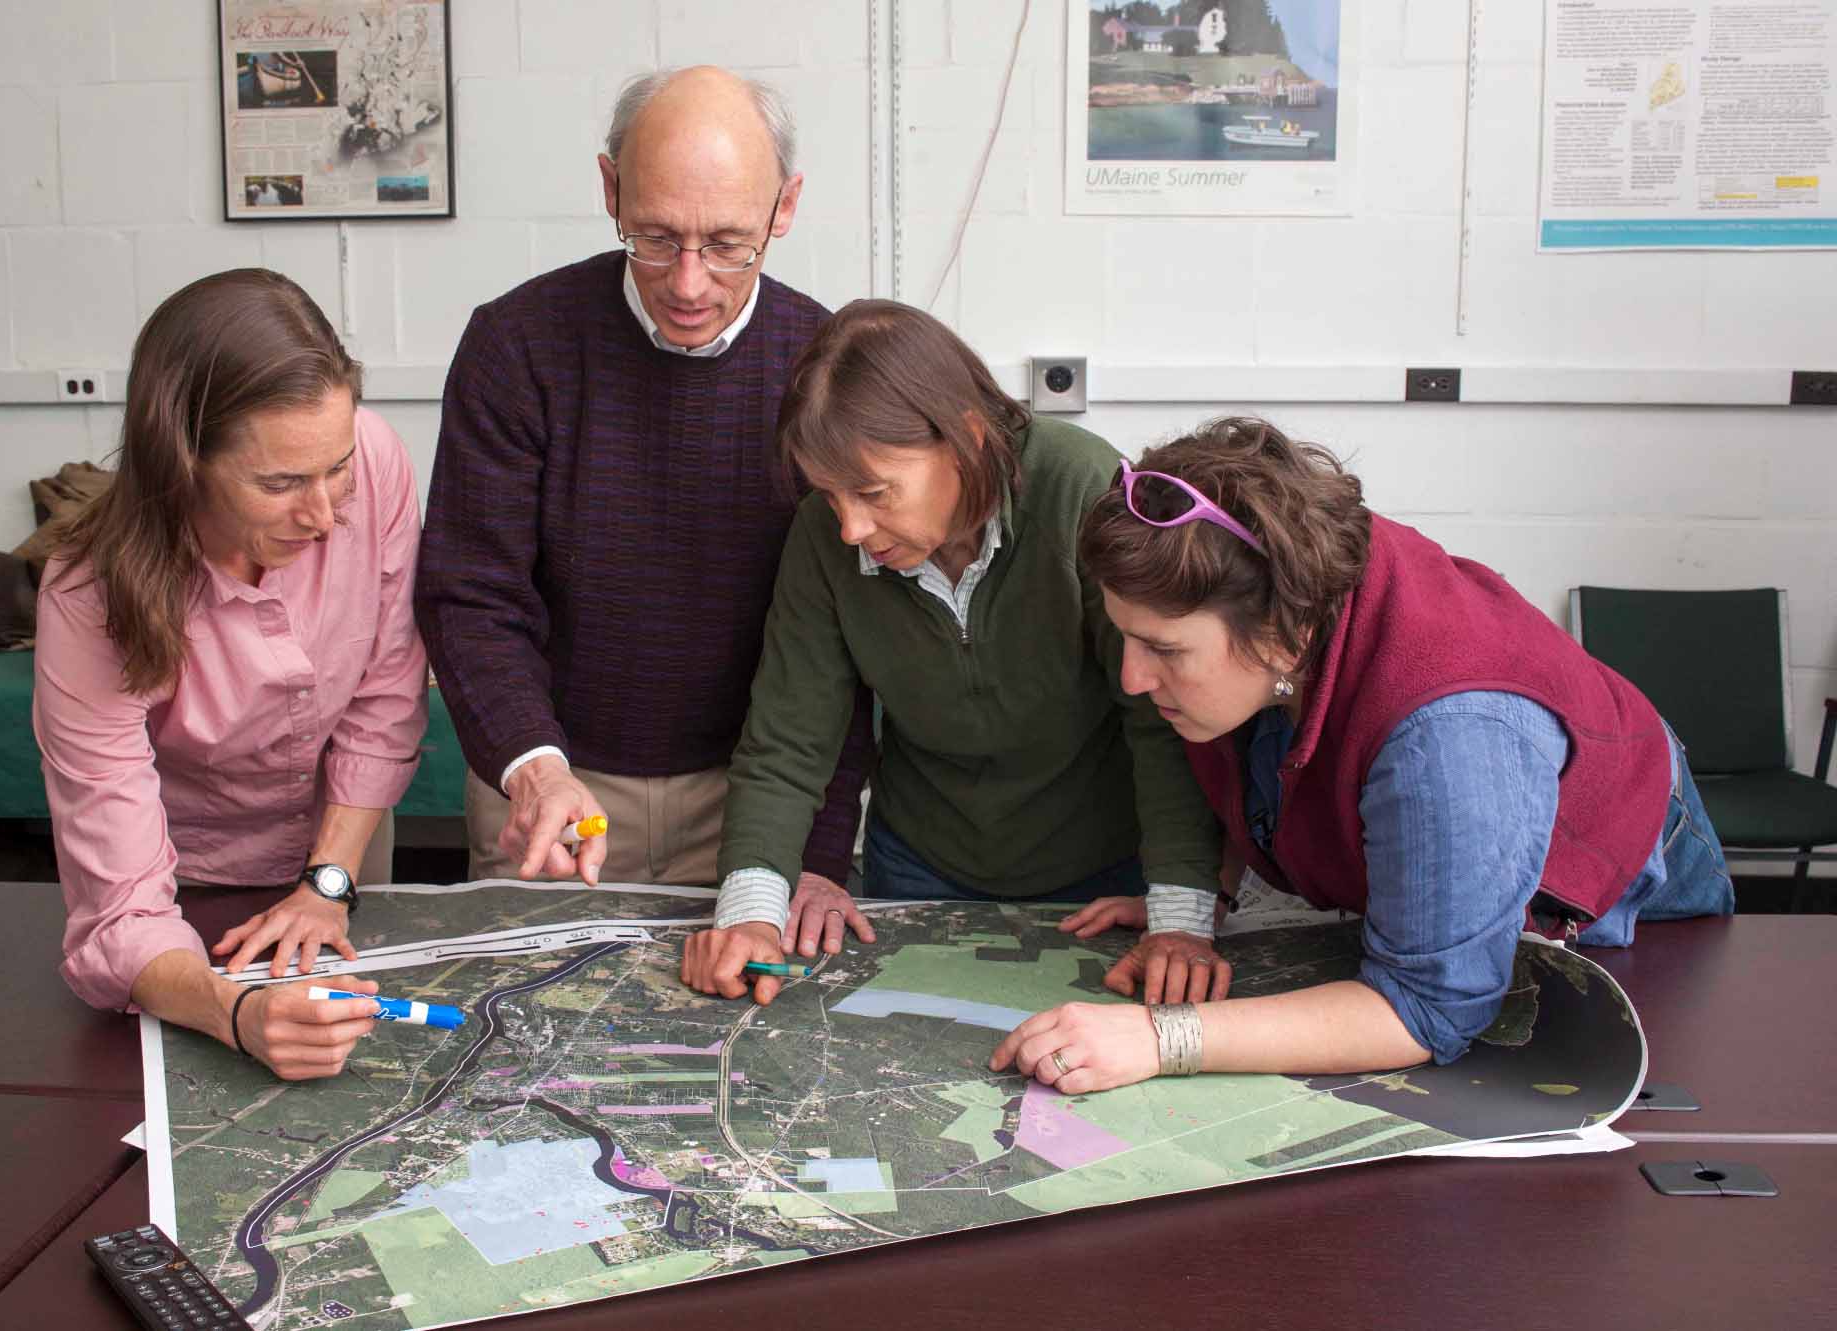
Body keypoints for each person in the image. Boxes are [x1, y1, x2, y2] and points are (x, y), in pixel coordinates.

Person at [990, 416, 1734, 1092]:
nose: (1131, 676)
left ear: (1283, 637)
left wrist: (1158, 1037)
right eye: (1126, 634)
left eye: (1164, 648)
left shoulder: (1451, 740)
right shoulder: (1277, 586)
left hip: (1632, 906)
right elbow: (1274, 766)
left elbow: (1428, 1009)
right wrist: (1211, 897)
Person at [680, 300, 1222, 1005]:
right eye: (830, 494)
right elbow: (786, 741)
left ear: (964, 439)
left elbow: (1160, 716)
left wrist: (1182, 916)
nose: (850, 527)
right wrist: (749, 914)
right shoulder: (823, 539)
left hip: (1105, 880)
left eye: (873, 492)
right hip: (917, 867)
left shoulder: (1083, 490)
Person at [416, 66, 869, 901]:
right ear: (611, 188)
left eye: (729, 244)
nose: (689, 282)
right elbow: (470, 595)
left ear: (786, 207)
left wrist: (822, 847)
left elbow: (851, 639)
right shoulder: (516, 346)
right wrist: (532, 766)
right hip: (554, 783)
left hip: (759, 792)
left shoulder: (827, 365)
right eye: (655, 237)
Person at [34, 268, 429, 1081]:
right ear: (181, 463)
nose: (322, 516)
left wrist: (329, 880)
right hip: (183, 883)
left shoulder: (377, 461)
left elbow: (387, 688)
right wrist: (237, 1011)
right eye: (279, 483)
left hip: (345, 844)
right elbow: (120, 912)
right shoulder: (86, 592)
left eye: (335, 470)